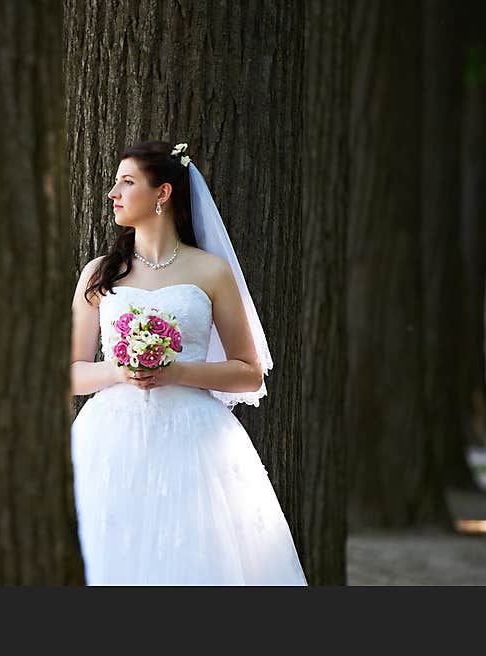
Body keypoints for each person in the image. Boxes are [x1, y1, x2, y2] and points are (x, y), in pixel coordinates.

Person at [70, 140, 308, 585]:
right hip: (111, 437)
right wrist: (121, 371)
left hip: (194, 438)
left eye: (126, 182)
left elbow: (248, 370)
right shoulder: (101, 273)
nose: (112, 193)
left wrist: (175, 371)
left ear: (162, 193)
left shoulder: (211, 271)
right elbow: (70, 372)